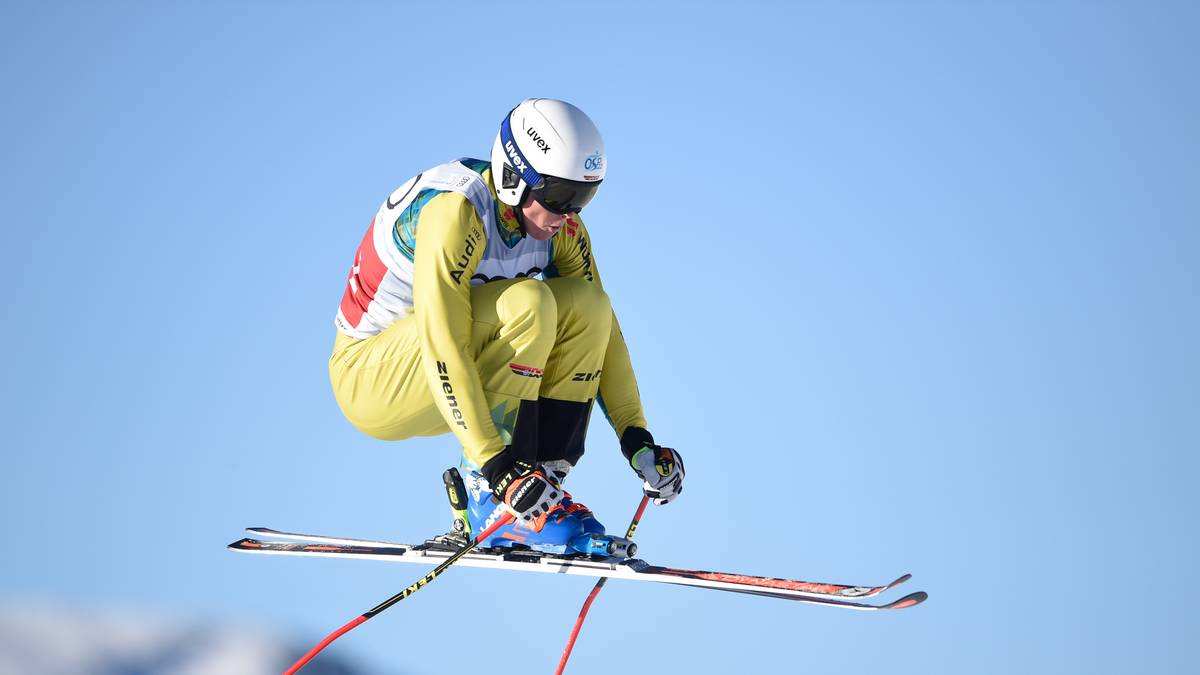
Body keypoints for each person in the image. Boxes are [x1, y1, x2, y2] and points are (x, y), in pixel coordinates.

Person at [328, 98, 684, 556]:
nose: (567, 214)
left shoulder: (563, 233)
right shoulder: (455, 213)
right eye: (558, 196)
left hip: (452, 374)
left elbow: (605, 336)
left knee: (588, 306)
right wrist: (496, 468)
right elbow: (444, 343)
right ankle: (490, 499)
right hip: (370, 379)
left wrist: (637, 438)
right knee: (529, 303)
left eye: (582, 198)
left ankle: (540, 494)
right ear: (515, 177)